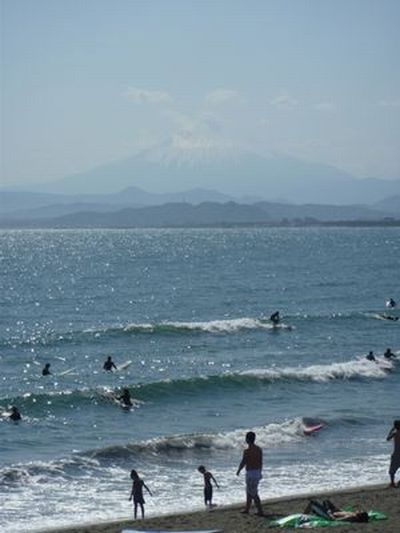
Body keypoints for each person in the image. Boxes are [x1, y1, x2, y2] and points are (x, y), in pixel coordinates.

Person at [236, 431, 263, 516]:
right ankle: (247, 509)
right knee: (249, 491)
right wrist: (260, 472)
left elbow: (244, 462)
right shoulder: (259, 449)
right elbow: (260, 462)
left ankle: (260, 510)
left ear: (247, 439)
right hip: (257, 471)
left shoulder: (247, 451)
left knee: (253, 492)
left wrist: (239, 470)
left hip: (250, 473)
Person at [304, 499, 369, 523]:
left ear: (359, 516)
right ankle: (316, 512)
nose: (359, 510)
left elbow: (335, 520)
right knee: (326, 501)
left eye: (360, 512)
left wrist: (329, 513)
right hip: (335, 511)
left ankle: (303, 517)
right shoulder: (353, 514)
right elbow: (342, 512)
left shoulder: (351, 517)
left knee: (312, 503)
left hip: (329, 515)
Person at [386, 420, 400, 487]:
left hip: (397, 453)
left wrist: (391, 430)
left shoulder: (395, 433)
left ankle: (392, 483)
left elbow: (388, 438)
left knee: (392, 470)